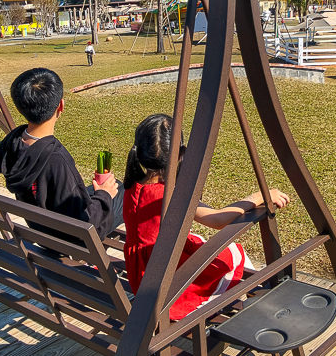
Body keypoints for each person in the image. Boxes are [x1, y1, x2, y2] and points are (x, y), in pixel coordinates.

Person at [123, 114, 290, 321]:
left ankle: (246, 296)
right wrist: (258, 197)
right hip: (166, 284)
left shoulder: (132, 187)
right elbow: (217, 220)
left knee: (204, 245)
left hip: (141, 276)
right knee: (233, 253)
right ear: (180, 154)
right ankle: (257, 303)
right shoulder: (170, 196)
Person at [0, 68, 122, 251]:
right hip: (70, 240)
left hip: (41, 229)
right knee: (122, 190)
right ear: (61, 106)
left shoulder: (12, 142)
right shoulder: (57, 159)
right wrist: (104, 194)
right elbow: (86, 224)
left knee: (102, 191)